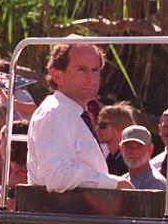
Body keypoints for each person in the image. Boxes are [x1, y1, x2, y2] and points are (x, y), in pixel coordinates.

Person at [26, 40, 133, 192]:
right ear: (57, 76)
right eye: (81, 69)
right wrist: (114, 183)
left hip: (73, 212)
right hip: (61, 212)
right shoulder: (56, 112)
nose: (91, 78)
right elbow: (57, 176)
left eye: (95, 69)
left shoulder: (70, 112)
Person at [120, 125, 166, 190]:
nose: (134, 151)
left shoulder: (155, 183)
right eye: (128, 146)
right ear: (121, 149)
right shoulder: (122, 180)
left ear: (150, 149)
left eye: (139, 146)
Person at [96, 103, 135, 176]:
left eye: (102, 125)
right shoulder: (111, 158)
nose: (97, 129)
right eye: (98, 124)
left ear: (119, 127)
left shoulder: (129, 160)